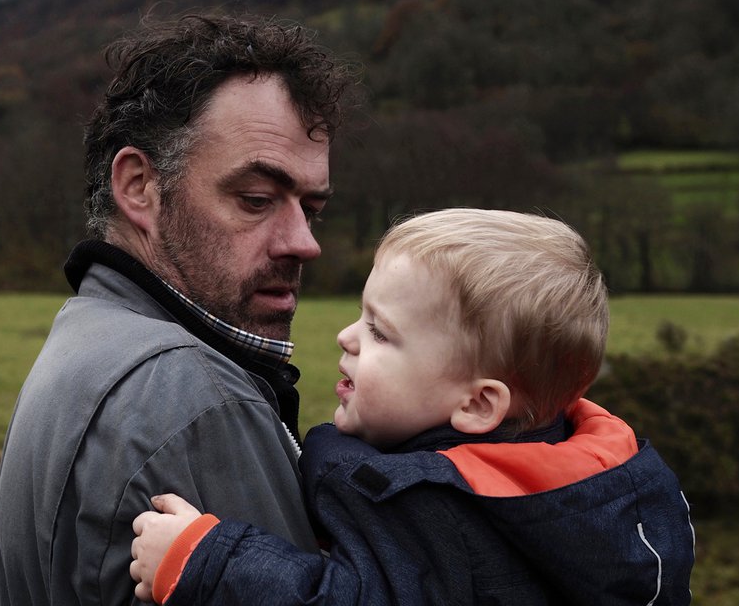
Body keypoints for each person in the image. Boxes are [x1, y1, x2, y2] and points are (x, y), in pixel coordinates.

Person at [129, 208, 696, 605]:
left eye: (380, 332)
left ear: (478, 403)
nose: (347, 337)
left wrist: (201, 560)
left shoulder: (440, 514)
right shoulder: (592, 496)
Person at [0, 13, 355, 605]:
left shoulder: (89, 336)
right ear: (139, 186)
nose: (304, 242)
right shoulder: (191, 396)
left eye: (311, 209)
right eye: (256, 199)